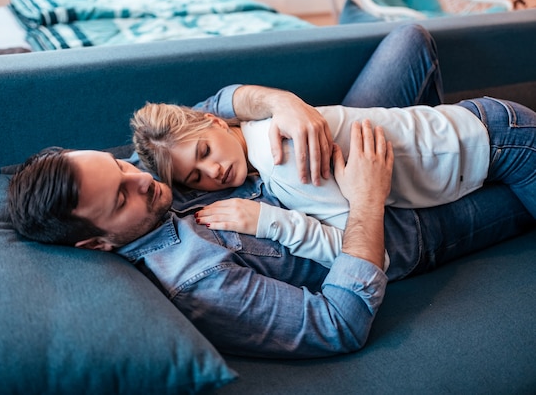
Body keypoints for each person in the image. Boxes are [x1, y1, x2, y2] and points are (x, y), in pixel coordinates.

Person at [7, 24, 535, 358]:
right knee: (514, 147)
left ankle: (448, 154)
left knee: (407, 40)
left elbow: (200, 117)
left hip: (320, 156)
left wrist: (282, 104)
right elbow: (336, 325)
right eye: (122, 196)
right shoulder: (198, 281)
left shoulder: (147, 183)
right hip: (393, 227)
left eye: (118, 166)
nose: (141, 180)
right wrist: (368, 199)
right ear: (96, 244)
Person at [131, 90, 536, 268]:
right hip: (475, 139)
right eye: (195, 177)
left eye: (204, 152)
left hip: (502, 144)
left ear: (214, 120)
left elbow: (369, 257)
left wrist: (265, 222)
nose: (214, 172)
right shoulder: (257, 130)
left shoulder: (282, 157)